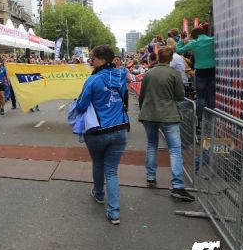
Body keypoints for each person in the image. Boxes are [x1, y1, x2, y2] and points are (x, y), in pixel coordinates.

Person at [74, 45, 129, 225]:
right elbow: (124, 97)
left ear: (102, 60)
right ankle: (114, 212)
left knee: (98, 163)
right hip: (120, 129)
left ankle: (99, 194)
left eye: (94, 58)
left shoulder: (94, 80)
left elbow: (81, 105)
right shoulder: (120, 76)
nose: (91, 61)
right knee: (111, 171)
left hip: (98, 131)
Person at [138, 47, 195, 202]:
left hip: (149, 114)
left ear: (158, 57)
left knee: (152, 145)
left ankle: (151, 177)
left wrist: (143, 109)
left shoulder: (149, 73)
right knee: (175, 150)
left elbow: (142, 95)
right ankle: (177, 185)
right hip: (169, 115)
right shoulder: (174, 74)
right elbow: (180, 95)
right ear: (170, 59)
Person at [177, 26, 216, 122]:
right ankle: (211, 119)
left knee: (200, 97)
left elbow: (178, 50)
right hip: (212, 70)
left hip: (200, 72)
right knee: (211, 96)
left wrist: (182, 40)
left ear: (194, 35)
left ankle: (200, 119)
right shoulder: (213, 40)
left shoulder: (194, 43)